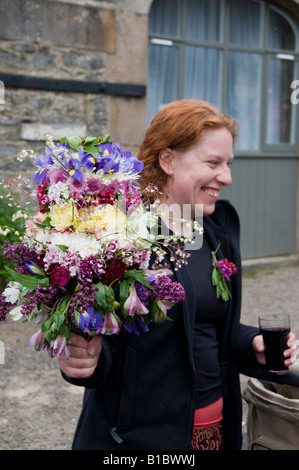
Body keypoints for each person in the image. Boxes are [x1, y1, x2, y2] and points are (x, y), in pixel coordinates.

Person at [58, 99, 297, 450]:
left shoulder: (216, 228)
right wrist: (84, 359)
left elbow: (209, 328)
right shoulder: (120, 233)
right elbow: (102, 339)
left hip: (215, 431)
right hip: (141, 440)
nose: (227, 177)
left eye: (228, 163)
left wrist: (252, 345)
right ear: (167, 160)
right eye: (213, 163)